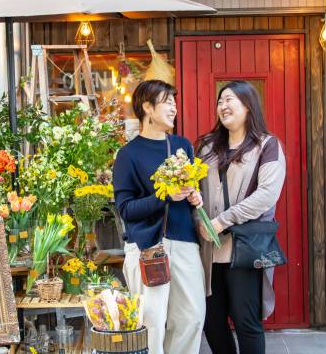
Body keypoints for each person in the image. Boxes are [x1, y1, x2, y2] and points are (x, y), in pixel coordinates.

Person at [112, 79, 206, 354]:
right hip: (148, 247)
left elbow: (188, 188)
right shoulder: (128, 155)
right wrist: (164, 196)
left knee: (192, 317)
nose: (174, 108)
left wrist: (193, 196)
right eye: (168, 102)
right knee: (151, 323)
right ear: (147, 108)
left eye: (175, 102)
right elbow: (126, 209)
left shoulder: (182, 145)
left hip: (185, 242)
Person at [195, 80, 286, 354]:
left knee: (246, 322)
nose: (222, 105)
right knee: (211, 321)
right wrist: (198, 218)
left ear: (248, 105)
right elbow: (194, 188)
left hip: (244, 249)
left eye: (229, 99)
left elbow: (266, 195)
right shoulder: (207, 147)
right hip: (209, 251)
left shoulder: (267, 145)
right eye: (220, 101)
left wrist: (223, 220)